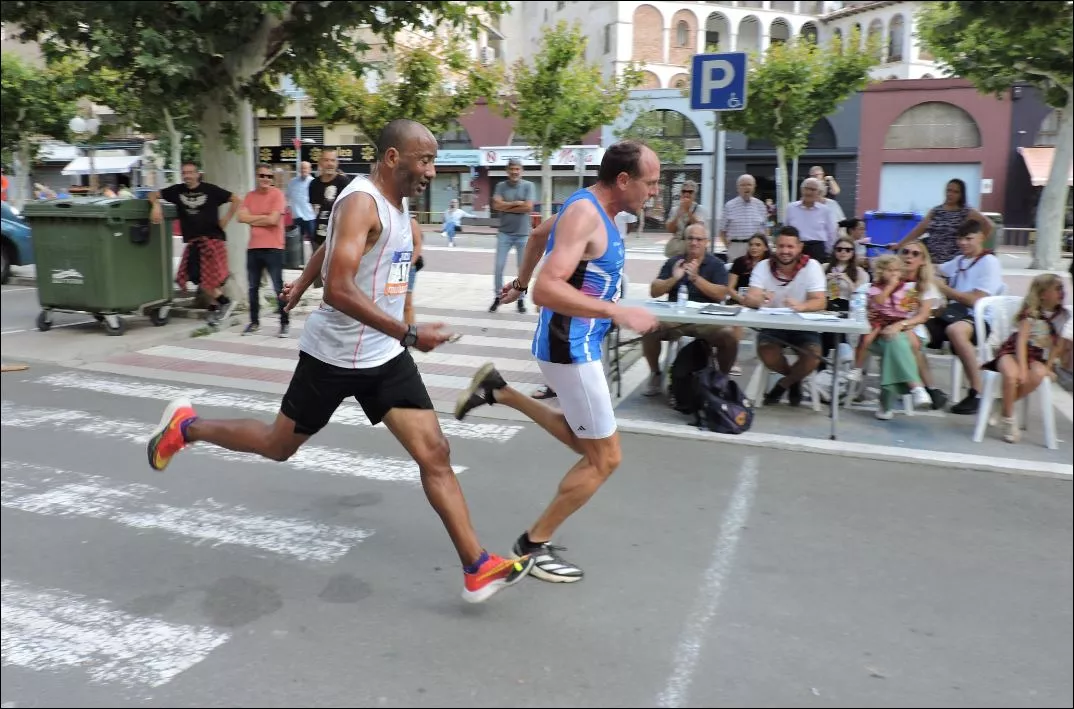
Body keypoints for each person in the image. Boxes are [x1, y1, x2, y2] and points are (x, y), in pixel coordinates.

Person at [145, 119, 534, 604]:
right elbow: (341, 286)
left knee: (435, 453)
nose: (432, 171)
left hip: (384, 356)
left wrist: (302, 283)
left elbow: (334, 248)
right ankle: (188, 427)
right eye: (425, 160)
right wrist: (410, 332)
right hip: (333, 356)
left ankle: (476, 566)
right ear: (393, 158)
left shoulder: (395, 198)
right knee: (276, 445)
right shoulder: (360, 200)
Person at [454, 141, 660, 582]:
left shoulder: (587, 208)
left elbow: (536, 235)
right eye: (651, 182)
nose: (655, 192)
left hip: (575, 344)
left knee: (588, 447)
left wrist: (519, 279)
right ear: (623, 181)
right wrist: (616, 310)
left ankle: (499, 390)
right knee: (605, 459)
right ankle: (531, 546)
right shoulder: (586, 212)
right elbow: (547, 290)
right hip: (573, 347)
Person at [643, 221, 737, 395]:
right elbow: (654, 291)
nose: (694, 243)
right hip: (675, 319)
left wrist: (696, 279)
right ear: (685, 241)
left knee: (729, 336)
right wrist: (674, 278)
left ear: (706, 242)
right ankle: (655, 373)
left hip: (706, 321)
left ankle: (722, 378)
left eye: (699, 239)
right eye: (690, 239)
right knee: (649, 328)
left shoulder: (716, 264)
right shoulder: (674, 262)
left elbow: (722, 294)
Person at [922, 218, 1004, 415]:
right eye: (960, 239)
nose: (963, 243)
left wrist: (944, 288)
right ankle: (928, 388)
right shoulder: (959, 260)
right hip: (953, 314)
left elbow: (976, 300)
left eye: (969, 238)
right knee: (914, 331)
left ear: (981, 238)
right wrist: (918, 261)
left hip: (978, 319)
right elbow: (937, 269)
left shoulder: (989, 262)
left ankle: (977, 392)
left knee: (956, 330)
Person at [742, 226, 827, 406]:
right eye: (781, 246)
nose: (785, 251)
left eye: (790, 246)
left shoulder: (812, 266)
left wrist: (802, 306)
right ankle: (794, 380)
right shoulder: (763, 266)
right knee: (767, 353)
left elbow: (820, 302)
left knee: (813, 355)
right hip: (772, 324)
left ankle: (783, 384)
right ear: (774, 246)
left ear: (800, 247)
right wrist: (759, 299)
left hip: (803, 324)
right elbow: (749, 298)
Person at [150, 162, 242, 327]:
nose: (187, 176)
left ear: (198, 174)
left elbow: (235, 199)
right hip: (194, 242)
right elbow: (153, 195)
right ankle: (215, 308)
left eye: (191, 172)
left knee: (207, 279)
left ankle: (225, 302)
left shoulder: (210, 190)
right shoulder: (177, 191)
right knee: (197, 277)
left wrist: (226, 219)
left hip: (212, 239)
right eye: (184, 173)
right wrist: (155, 207)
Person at [981, 273, 1069, 443]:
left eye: (1063, 288)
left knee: (1038, 374)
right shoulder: (1031, 313)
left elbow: (1057, 345)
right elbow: (1021, 341)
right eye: (1058, 289)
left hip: (1037, 355)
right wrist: (1022, 368)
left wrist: (1049, 367)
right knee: (1012, 375)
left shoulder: (1063, 316)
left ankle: (1003, 403)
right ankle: (1009, 420)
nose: (1062, 292)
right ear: (1043, 294)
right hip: (1012, 351)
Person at [859, 254, 935, 418]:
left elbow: (920, 316)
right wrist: (869, 311)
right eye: (905, 252)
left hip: (909, 331)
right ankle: (916, 387)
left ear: (922, 261)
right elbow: (869, 305)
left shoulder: (920, 287)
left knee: (894, 341)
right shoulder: (878, 286)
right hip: (880, 331)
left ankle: (886, 405)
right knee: (893, 343)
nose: (909, 256)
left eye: (915, 254)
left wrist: (902, 326)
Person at [238, 164, 289, 337]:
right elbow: (240, 217)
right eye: (262, 175)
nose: (265, 179)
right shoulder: (250, 196)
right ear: (257, 176)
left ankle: (284, 323)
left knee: (278, 287)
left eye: (269, 176)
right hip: (253, 248)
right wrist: (263, 218)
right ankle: (254, 323)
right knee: (253, 287)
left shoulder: (278, 195)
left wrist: (253, 219)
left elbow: (274, 220)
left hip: (274, 247)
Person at [890, 178, 993, 264]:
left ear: (961, 194)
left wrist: (975, 246)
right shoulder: (936, 211)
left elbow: (988, 225)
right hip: (932, 262)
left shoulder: (966, 211)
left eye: (955, 192)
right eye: (948, 190)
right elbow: (918, 230)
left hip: (953, 263)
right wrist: (900, 244)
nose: (950, 194)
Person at [490, 157, 536, 313]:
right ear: (507, 170)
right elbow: (496, 205)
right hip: (504, 233)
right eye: (512, 169)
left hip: (523, 234)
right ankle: (498, 297)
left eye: (517, 169)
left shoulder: (529, 186)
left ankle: (521, 300)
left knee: (522, 269)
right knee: (498, 267)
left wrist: (506, 206)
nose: (514, 172)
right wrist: (517, 203)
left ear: (521, 171)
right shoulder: (500, 186)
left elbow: (528, 207)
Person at [308, 149, 352, 288]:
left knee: (338, 281)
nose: (329, 163)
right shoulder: (313, 184)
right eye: (326, 160)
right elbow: (315, 210)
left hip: (339, 240)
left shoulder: (344, 182)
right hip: (319, 239)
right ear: (320, 162)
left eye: (332, 160)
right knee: (320, 283)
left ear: (337, 163)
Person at [783, 177, 837, 262]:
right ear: (801, 190)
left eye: (812, 189)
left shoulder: (825, 211)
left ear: (819, 193)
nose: (808, 192)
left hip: (817, 250)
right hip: (796, 249)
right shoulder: (791, 208)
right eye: (806, 189)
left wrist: (828, 252)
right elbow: (785, 230)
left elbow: (831, 233)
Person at [719, 174, 770, 262]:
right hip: (736, 248)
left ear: (754, 187)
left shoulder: (761, 205)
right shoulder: (729, 205)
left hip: (756, 248)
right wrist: (730, 247)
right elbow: (721, 231)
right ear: (737, 188)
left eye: (749, 185)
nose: (746, 188)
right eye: (743, 185)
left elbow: (766, 229)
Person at [664, 180, 709, 259]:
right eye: (684, 191)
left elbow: (700, 228)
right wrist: (678, 215)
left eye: (690, 192)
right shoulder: (675, 209)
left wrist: (688, 211)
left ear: (694, 194)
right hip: (678, 249)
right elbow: (670, 230)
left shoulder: (700, 209)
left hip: (693, 248)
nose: (686, 194)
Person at [287, 161, 316, 252]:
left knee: (313, 239)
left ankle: (315, 260)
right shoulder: (293, 182)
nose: (304, 170)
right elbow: (288, 195)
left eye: (306, 168)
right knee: (297, 240)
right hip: (297, 215)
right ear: (299, 169)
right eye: (302, 168)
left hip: (310, 216)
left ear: (310, 170)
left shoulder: (313, 182)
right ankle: (299, 261)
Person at [405, 215, 424, 325]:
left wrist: (409, 263)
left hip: (404, 267)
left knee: (406, 305)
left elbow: (418, 244)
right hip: (386, 266)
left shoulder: (410, 222)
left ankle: (410, 335)